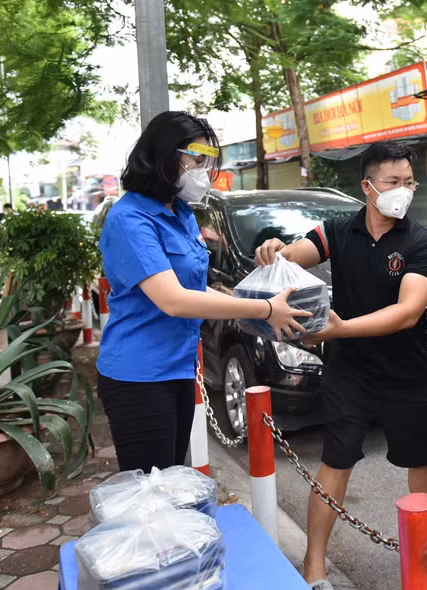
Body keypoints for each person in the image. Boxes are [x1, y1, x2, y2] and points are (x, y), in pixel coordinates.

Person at [255, 141, 427, 590]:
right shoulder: (338, 231)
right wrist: (275, 250)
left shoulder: (420, 242)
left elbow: (407, 312)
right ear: (368, 187)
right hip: (350, 373)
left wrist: (340, 330)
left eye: (408, 182)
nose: (403, 191)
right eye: (392, 182)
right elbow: (295, 255)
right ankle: (313, 563)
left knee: (422, 462)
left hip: (405, 372)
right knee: (336, 461)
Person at [96, 111, 311, 473]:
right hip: (139, 376)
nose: (203, 170)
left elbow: (198, 287)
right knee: (151, 492)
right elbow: (174, 299)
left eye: (207, 161)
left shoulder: (181, 213)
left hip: (179, 367)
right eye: (196, 159)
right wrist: (263, 310)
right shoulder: (130, 219)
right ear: (164, 155)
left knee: (171, 477)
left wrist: (255, 297)